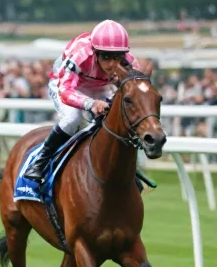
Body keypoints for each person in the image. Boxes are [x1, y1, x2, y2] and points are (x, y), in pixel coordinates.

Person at [24, 19, 143, 183]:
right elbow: (65, 90)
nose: (112, 64)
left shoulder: (129, 62)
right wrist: (90, 104)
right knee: (73, 118)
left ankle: (126, 168)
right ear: (95, 52)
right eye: (106, 56)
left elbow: (137, 91)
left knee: (115, 119)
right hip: (66, 84)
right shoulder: (80, 54)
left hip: (99, 87)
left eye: (117, 57)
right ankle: (40, 161)